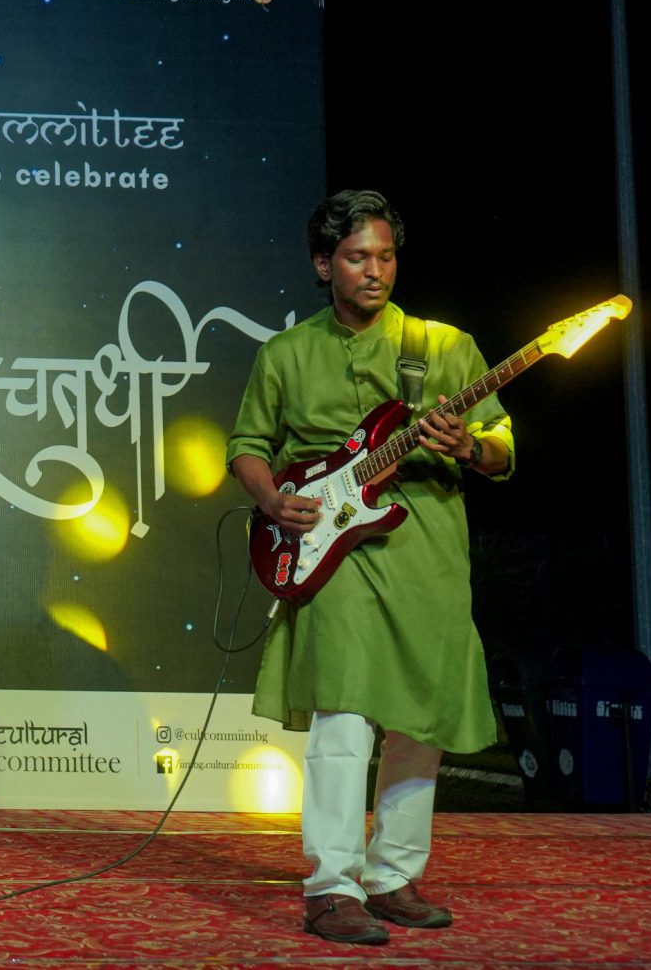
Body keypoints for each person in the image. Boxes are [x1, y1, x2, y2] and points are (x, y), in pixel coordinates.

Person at [228, 190, 513, 946]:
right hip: (330, 547)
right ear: (324, 265)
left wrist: (469, 447)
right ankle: (331, 885)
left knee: (422, 713)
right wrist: (272, 500)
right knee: (344, 709)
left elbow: (502, 446)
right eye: (357, 257)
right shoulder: (286, 354)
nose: (376, 271)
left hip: (428, 550)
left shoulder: (443, 345)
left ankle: (393, 877)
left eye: (386, 256)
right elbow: (247, 446)